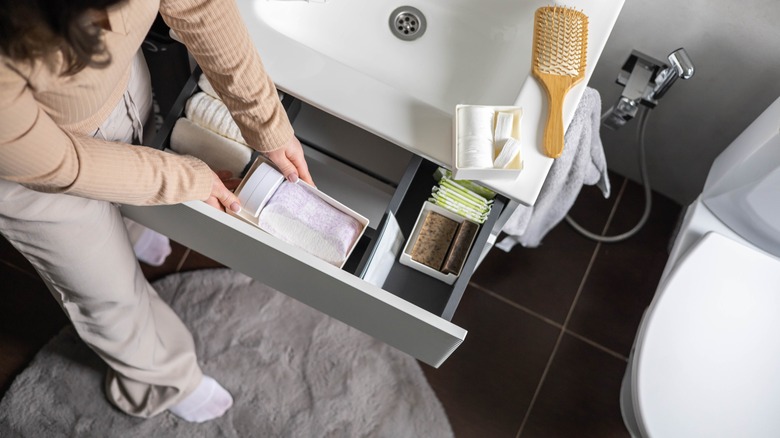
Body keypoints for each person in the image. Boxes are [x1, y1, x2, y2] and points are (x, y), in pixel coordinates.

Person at [0, 0, 313, 423]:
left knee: (134, 192)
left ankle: (130, 230)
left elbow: (200, 6)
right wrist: (190, 179)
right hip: (27, 174)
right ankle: (162, 382)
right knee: (106, 292)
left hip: (119, 88)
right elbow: (65, 165)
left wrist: (265, 122)